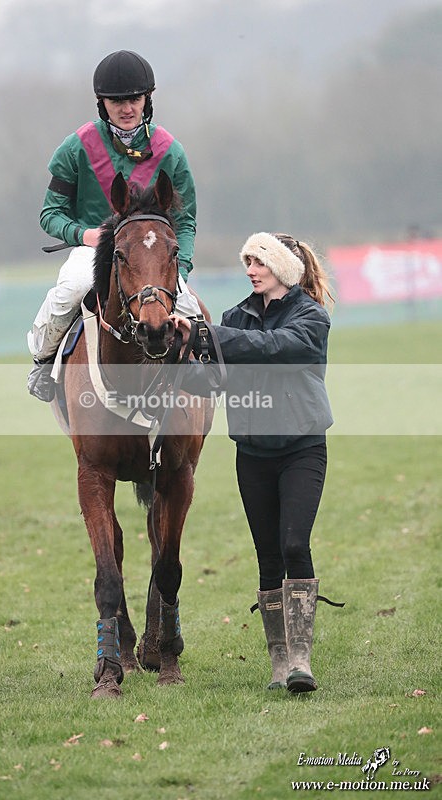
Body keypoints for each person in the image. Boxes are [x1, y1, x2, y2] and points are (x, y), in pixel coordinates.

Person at [172, 232, 335, 693]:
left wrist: (205, 332)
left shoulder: (310, 316)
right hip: (253, 453)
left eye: (259, 262)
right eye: (247, 262)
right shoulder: (235, 318)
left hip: (302, 448)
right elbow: (213, 382)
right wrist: (174, 356)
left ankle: (301, 659)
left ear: (283, 267)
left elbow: (276, 347)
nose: (250, 270)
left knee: (294, 545)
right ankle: (280, 664)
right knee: (267, 558)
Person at [27, 49, 202, 401]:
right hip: (94, 248)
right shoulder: (76, 148)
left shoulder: (170, 152)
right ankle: (43, 361)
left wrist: (178, 267)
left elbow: (185, 222)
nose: (127, 109)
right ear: (102, 103)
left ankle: (204, 373)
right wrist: (83, 234)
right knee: (71, 291)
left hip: (153, 254)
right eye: (117, 101)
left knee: (192, 310)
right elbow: (50, 214)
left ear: (147, 99)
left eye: (134, 99)